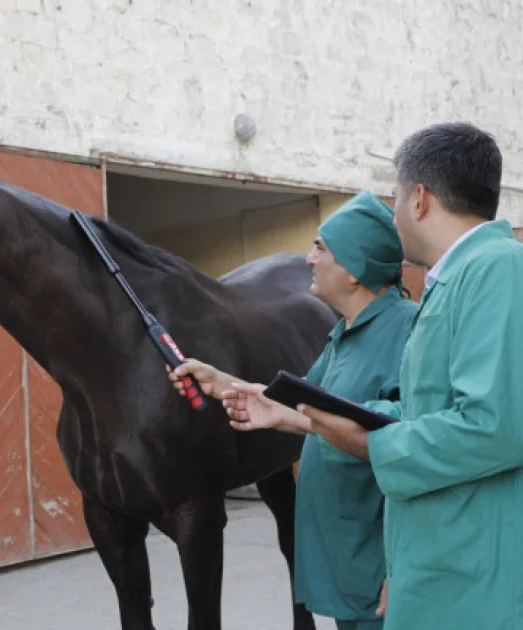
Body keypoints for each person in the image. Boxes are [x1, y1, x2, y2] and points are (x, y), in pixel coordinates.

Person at [223, 122, 523, 630]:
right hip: (466, 567)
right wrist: (339, 417)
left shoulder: (502, 272)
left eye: (395, 197)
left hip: (510, 585)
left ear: (419, 199)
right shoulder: (457, 280)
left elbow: (493, 429)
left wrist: (371, 443)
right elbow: (427, 412)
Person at [169, 191, 417, 630]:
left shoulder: (408, 331)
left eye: (320, 248)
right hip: (351, 559)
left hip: (384, 568)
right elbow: (310, 406)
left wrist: (405, 568)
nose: (308, 259)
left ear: (354, 270)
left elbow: (416, 452)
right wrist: (221, 382)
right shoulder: (346, 334)